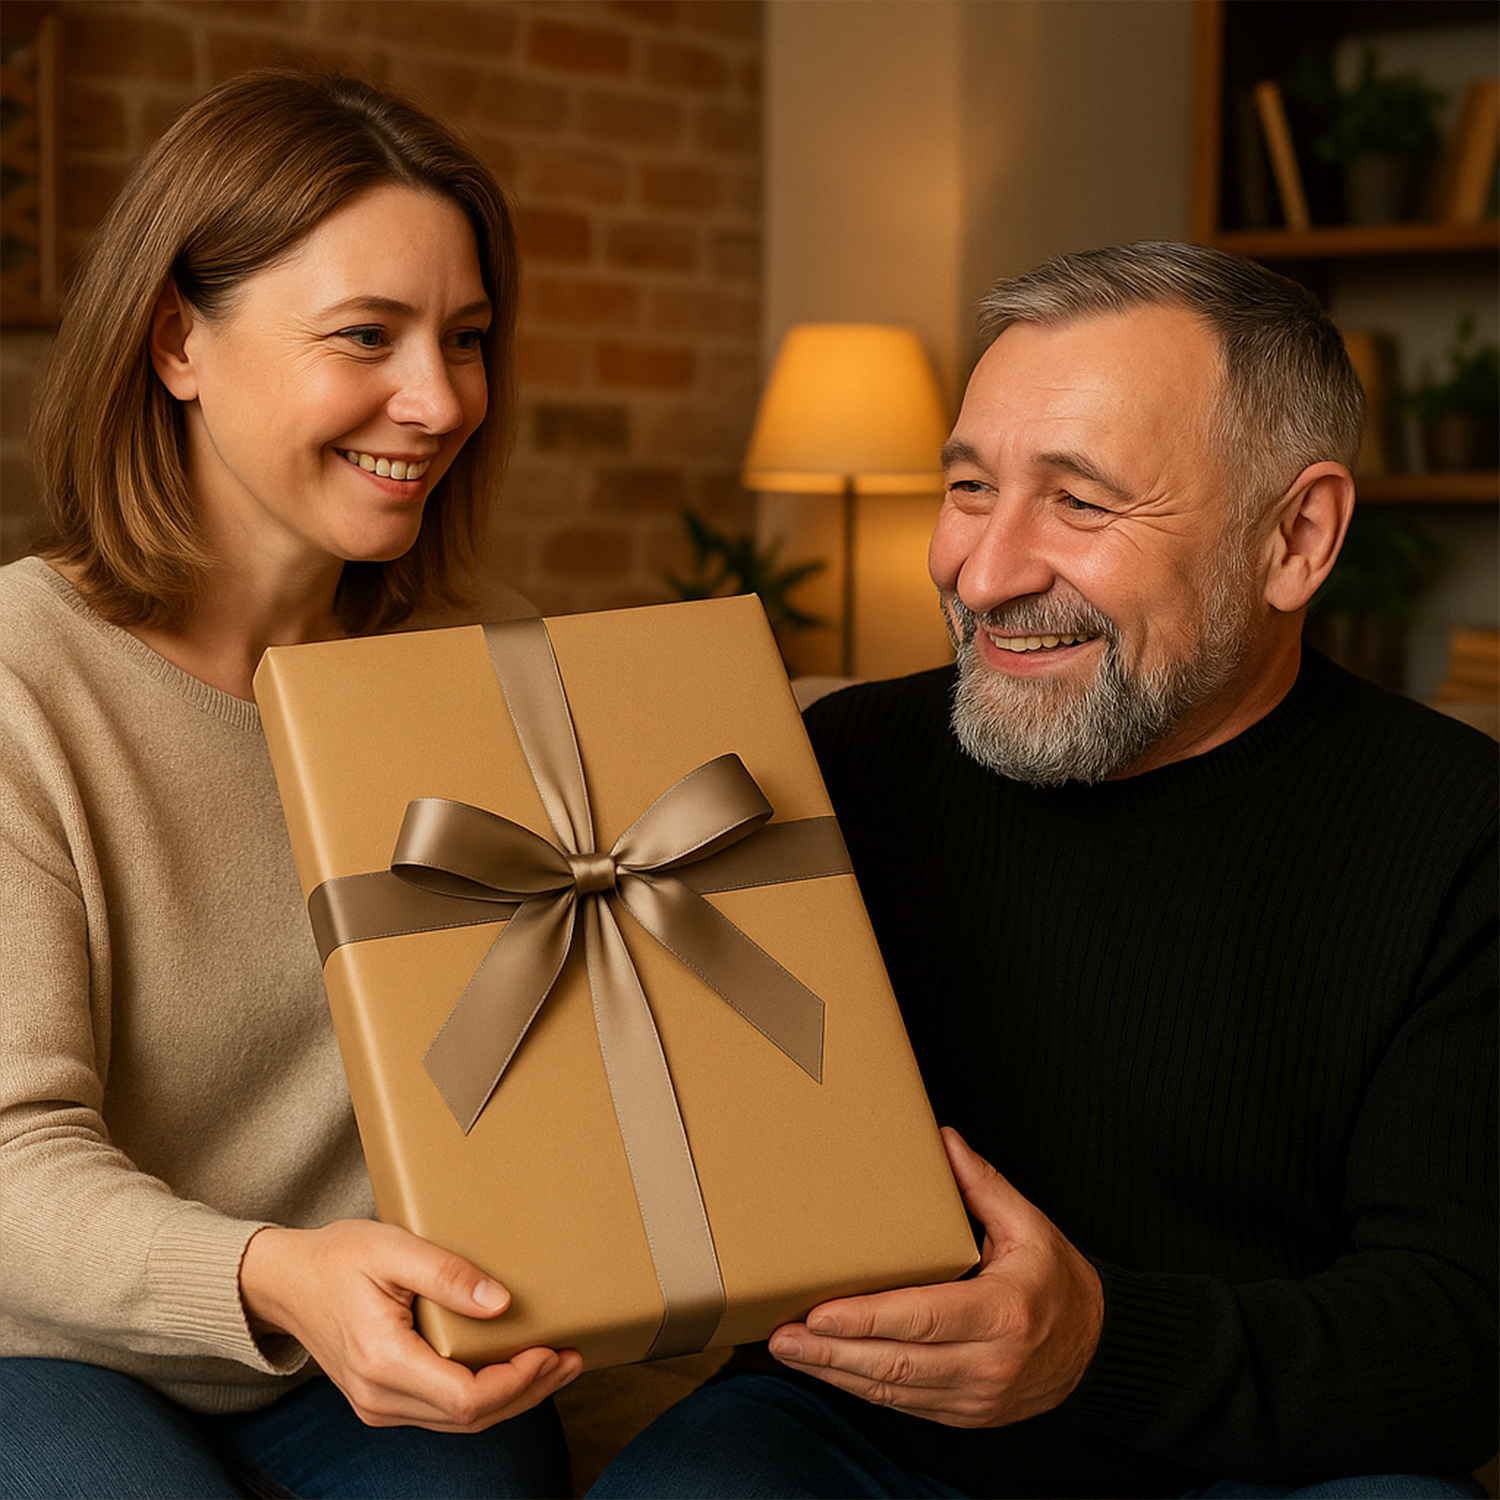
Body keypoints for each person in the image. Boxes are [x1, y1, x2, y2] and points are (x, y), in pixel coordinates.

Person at [589, 242, 1498, 1499]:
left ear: (1297, 535)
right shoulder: (829, 766)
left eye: (1080, 502)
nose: (985, 571)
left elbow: (1460, 1335)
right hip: (855, 1431)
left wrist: (1096, 1347)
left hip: (1267, 1466)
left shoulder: (1464, 834)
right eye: (969, 487)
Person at [0, 70, 584, 1500]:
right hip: (49, 1345)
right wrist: (277, 1274)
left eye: (466, 337)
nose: (437, 400)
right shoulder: (23, 676)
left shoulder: (494, 663)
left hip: (383, 1339)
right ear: (176, 341)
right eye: (365, 337)